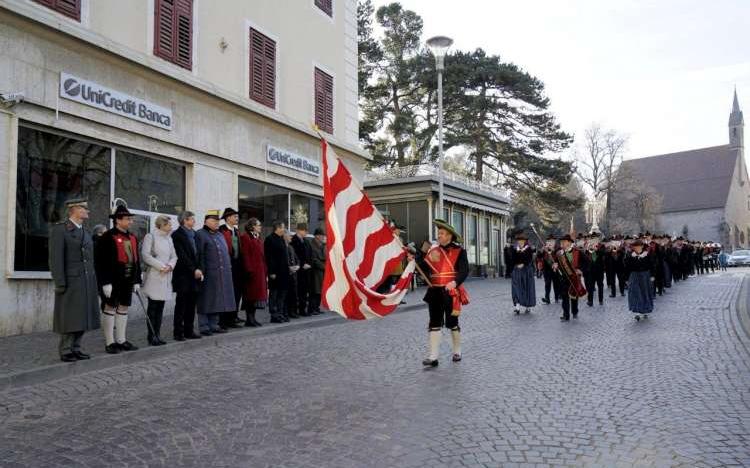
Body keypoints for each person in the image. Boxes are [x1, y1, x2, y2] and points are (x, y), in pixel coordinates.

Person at [48, 198, 100, 362]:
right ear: (74, 210)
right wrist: (60, 282)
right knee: (69, 317)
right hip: (71, 281)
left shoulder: (85, 231)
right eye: (84, 208)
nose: (87, 211)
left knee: (83, 316)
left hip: (86, 281)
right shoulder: (61, 230)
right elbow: (55, 259)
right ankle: (65, 350)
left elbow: (90, 259)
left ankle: (76, 347)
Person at [414, 219, 469, 367]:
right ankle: (433, 357)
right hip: (435, 291)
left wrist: (455, 282)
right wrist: (415, 259)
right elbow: (424, 269)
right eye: (439, 233)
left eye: (442, 233)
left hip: (451, 292)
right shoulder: (433, 250)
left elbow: (464, 270)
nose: (439, 236)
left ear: (450, 236)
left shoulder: (460, 251)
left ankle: (457, 351)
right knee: (434, 323)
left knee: (452, 323)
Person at [94, 205, 141, 353]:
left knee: (124, 307)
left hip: (128, 280)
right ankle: (110, 342)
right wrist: (105, 282)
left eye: (130, 219)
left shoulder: (133, 237)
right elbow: (100, 262)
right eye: (127, 219)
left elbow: (136, 261)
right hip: (113, 280)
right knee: (110, 307)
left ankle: (121, 340)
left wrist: (137, 280)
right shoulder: (107, 237)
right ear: (117, 221)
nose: (130, 222)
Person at [195, 210, 236, 335]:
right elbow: (199, 254)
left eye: (218, 221)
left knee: (217, 300)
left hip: (222, 274)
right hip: (207, 273)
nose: (217, 223)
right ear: (206, 222)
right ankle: (204, 326)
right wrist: (200, 270)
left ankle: (214, 324)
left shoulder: (219, 235)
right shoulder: (200, 234)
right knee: (205, 300)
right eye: (214, 221)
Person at [141, 215, 178, 346]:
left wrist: (170, 266)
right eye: (168, 224)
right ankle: (151, 336)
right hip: (154, 276)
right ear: (161, 225)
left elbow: (174, 256)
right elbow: (146, 255)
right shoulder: (150, 237)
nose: (171, 227)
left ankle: (157, 334)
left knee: (160, 308)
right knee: (153, 307)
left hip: (166, 275)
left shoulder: (169, 239)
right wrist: (161, 266)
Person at [171, 211, 203, 341]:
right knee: (181, 305)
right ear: (185, 220)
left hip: (196, 275)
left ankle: (189, 330)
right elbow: (181, 256)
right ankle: (178, 332)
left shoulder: (195, 234)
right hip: (183, 275)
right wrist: (193, 269)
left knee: (192, 304)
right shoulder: (177, 235)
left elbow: (200, 253)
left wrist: (200, 268)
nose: (194, 221)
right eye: (192, 219)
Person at [219, 207, 244, 329]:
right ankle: (225, 319)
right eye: (235, 217)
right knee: (227, 293)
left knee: (237, 292)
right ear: (228, 218)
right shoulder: (221, 230)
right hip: (227, 266)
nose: (237, 218)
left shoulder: (237, 231)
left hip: (237, 267)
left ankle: (233, 316)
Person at [239, 217, 266, 327]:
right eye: (258, 225)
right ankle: (249, 319)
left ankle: (253, 318)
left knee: (256, 297)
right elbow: (246, 255)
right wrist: (249, 270)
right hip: (251, 272)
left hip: (259, 271)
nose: (260, 227)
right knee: (250, 296)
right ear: (253, 226)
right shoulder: (245, 237)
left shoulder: (257, 237)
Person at [555, 234, 588, 322]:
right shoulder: (559, 253)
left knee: (574, 296)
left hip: (575, 278)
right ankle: (566, 315)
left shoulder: (578, 252)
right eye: (561, 242)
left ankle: (575, 312)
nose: (562, 243)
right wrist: (554, 265)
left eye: (564, 242)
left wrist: (581, 269)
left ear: (569, 243)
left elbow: (587, 262)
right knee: (564, 297)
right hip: (563, 278)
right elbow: (555, 263)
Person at [265, 220, 291, 323]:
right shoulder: (269, 239)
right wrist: (271, 272)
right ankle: (274, 315)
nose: (284, 229)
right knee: (274, 295)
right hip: (275, 273)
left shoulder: (281, 239)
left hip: (284, 272)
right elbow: (269, 257)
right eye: (283, 227)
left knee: (282, 294)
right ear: (278, 228)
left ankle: (280, 314)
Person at [624, 239, 655, 321]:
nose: (637, 248)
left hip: (645, 276)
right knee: (635, 293)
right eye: (635, 247)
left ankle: (645, 311)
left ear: (642, 246)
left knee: (645, 293)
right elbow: (627, 268)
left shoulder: (647, 255)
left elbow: (652, 265)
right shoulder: (630, 256)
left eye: (638, 246)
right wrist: (626, 279)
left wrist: (652, 275)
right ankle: (637, 311)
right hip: (634, 277)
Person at [510, 232, 536, 314]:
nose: (520, 242)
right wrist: (516, 265)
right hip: (517, 272)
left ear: (525, 242)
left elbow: (529, 259)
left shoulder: (528, 249)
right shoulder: (514, 249)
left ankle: (528, 306)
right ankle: (517, 307)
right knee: (516, 288)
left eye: (522, 241)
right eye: (519, 241)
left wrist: (523, 264)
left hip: (526, 272)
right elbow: (512, 260)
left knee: (527, 288)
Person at [290, 223, 313, 317]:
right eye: (304, 230)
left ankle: (303, 309)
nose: (306, 232)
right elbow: (295, 255)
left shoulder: (306, 241)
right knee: (297, 291)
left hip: (306, 270)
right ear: (299, 230)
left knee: (304, 291)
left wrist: (309, 264)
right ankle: (295, 310)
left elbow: (310, 254)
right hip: (298, 270)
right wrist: (302, 264)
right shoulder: (293, 241)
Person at [309, 227, 327, 315]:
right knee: (315, 290)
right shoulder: (312, 245)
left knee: (320, 290)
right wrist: (325, 267)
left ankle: (317, 307)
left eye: (323, 235)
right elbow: (314, 260)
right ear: (316, 236)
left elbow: (326, 257)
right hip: (315, 272)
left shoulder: (322, 245)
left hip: (322, 271)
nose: (323, 237)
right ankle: (312, 308)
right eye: (321, 235)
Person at [584, 234, 606, 307]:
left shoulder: (601, 246)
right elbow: (585, 258)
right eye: (592, 238)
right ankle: (590, 301)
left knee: (600, 285)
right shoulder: (588, 247)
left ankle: (601, 300)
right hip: (591, 270)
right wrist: (587, 249)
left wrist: (597, 250)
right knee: (590, 286)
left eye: (595, 238)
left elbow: (604, 254)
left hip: (599, 270)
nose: (594, 240)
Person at [285, 230, 302, 319]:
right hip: (287, 274)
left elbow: (297, 258)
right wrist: (289, 268)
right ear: (284, 236)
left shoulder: (291, 247)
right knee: (287, 295)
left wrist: (298, 266)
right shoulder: (283, 247)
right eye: (289, 236)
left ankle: (293, 311)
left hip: (294, 274)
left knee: (294, 294)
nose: (291, 237)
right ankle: (287, 312)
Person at [539, 235, 560, 305]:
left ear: (554, 242)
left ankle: (556, 297)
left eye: (552, 241)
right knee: (547, 284)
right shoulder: (545, 248)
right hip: (547, 269)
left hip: (555, 269)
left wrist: (553, 250)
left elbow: (560, 257)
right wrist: (541, 251)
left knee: (556, 284)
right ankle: (547, 298)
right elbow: (538, 256)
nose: (550, 242)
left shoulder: (558, 248)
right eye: (549, 241)